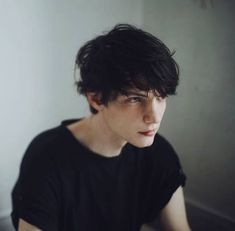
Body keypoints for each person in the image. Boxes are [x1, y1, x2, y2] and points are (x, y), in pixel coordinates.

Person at [11, 24, 191, 231]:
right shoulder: (46, 157)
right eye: (135, 99)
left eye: (161, 97)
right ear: (96, 98)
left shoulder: (159, 153)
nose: (155, 116)